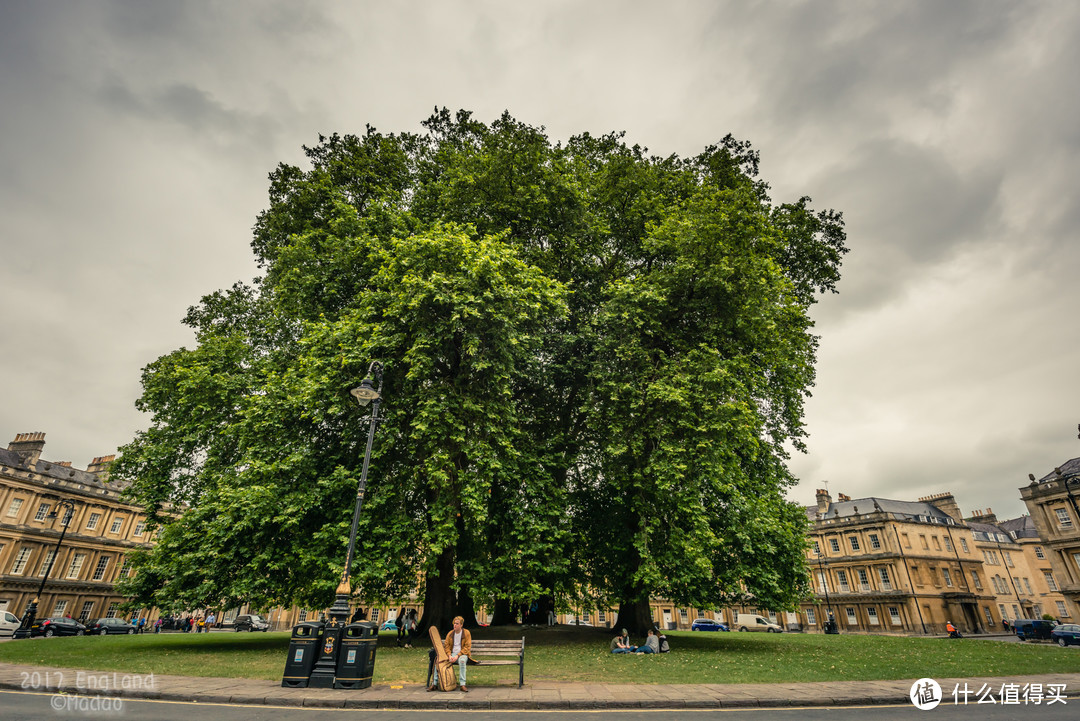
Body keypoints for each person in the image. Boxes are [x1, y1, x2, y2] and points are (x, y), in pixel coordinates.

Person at [429, 616, 472, 692]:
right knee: (439, 662)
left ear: (461, 625)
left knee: (462, 661)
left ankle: (462, 684)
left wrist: (457, 655)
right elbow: (447, 646)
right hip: (451, 655)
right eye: (454, 623)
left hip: (462, 654)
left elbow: (467, 647)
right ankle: (434, 683)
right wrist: (449, 655)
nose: (455, 625)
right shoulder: (450, 634)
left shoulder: (466, 633)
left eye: (457, 624)